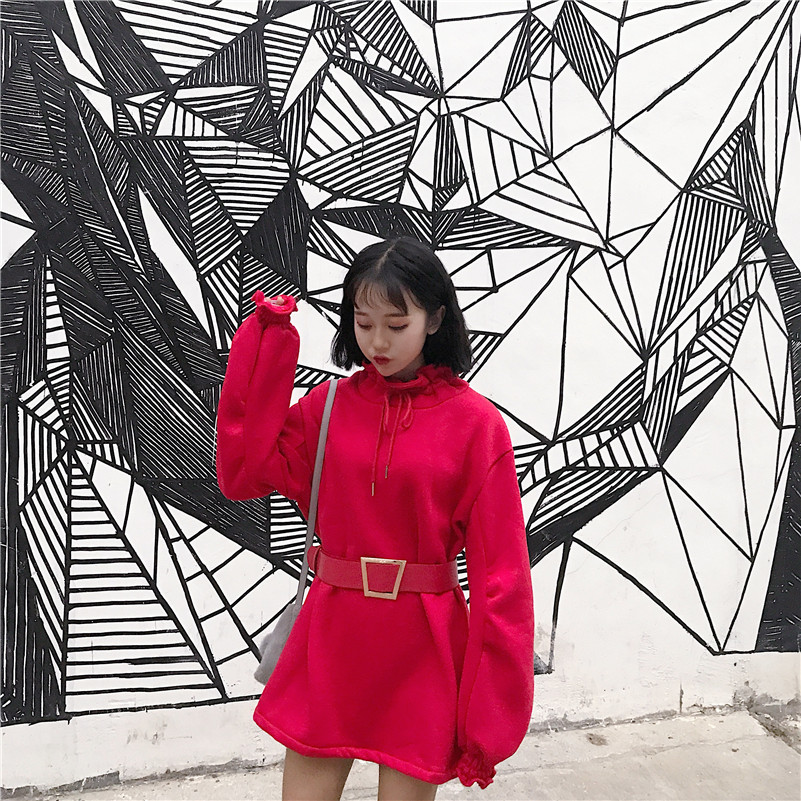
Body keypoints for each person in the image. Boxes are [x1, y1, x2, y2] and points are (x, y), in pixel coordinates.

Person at [215, 236, 535, 801]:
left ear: (436, 318)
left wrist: (490, 719)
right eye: (363, 323)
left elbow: (501, 577)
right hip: (334, 634)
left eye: (397, 323)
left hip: (424, 644)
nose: (378, 342)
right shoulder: (327, 406)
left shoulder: (476, 425)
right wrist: (267, 345)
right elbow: (245, 470)